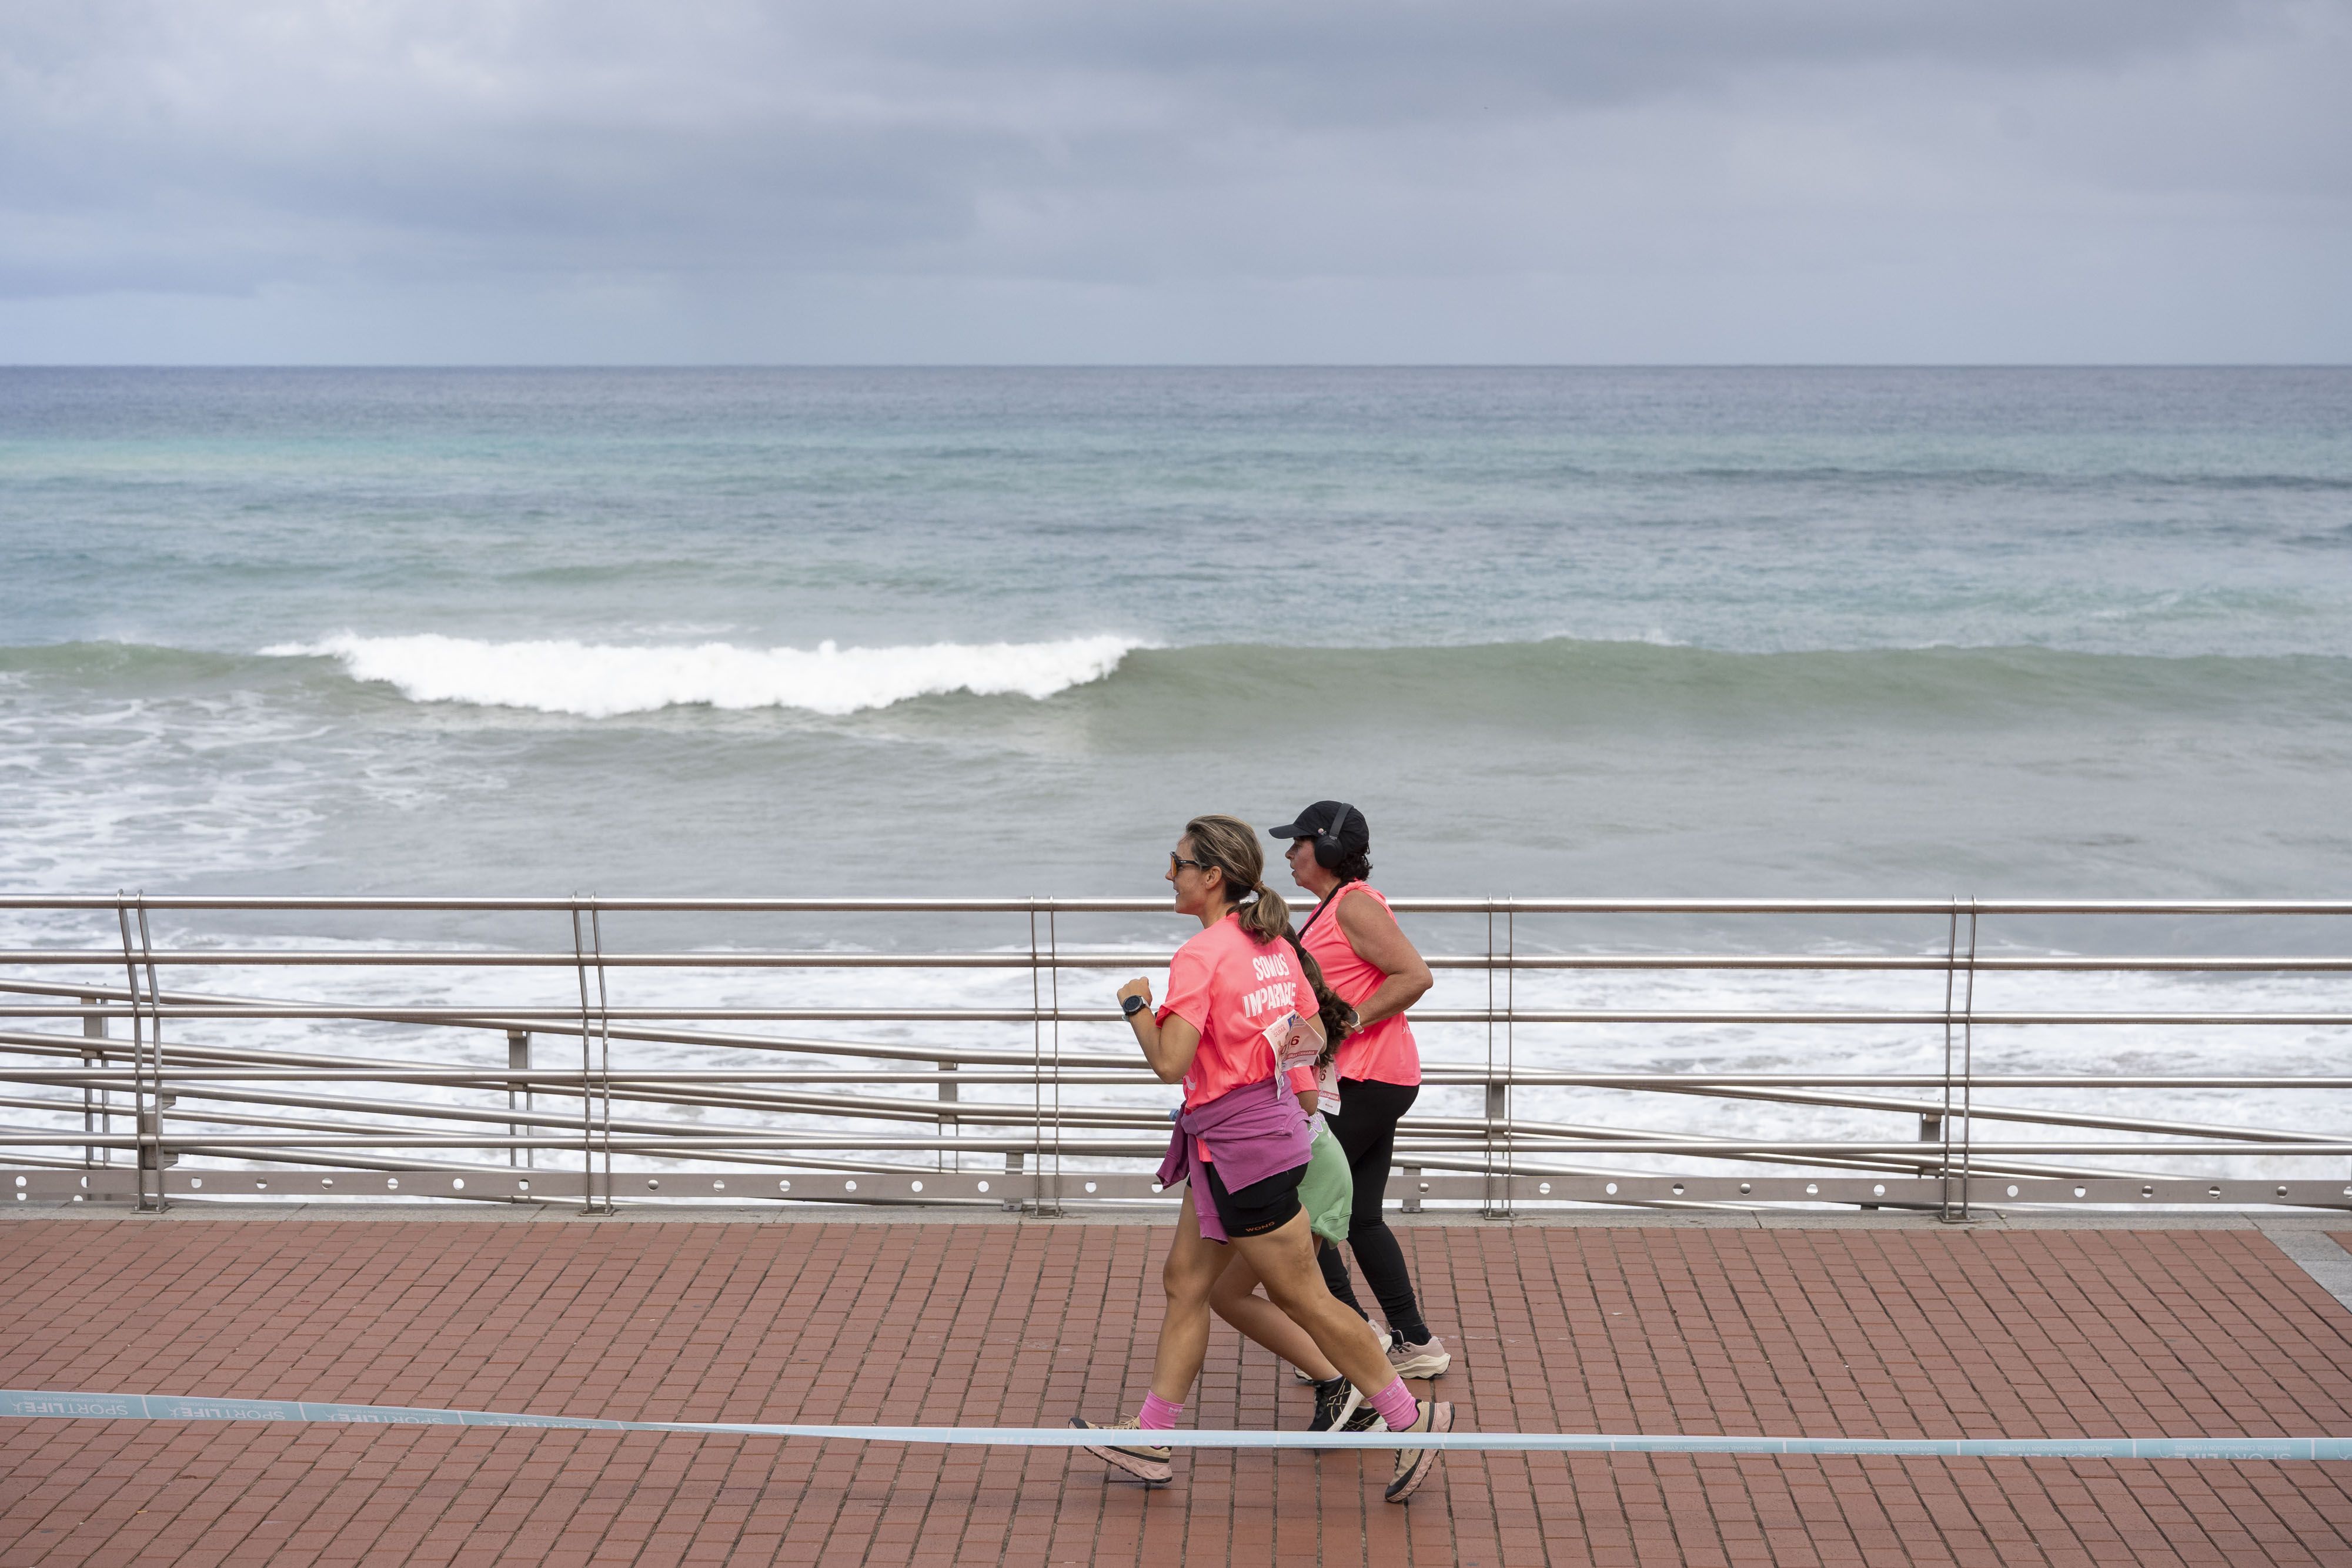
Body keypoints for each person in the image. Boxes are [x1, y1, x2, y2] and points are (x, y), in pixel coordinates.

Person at [1071, 813, 1454, 1502]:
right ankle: (1153, 1438)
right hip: (1250, 1137)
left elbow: (1169, 1063)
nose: (1168, 873)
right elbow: (1306, 1039)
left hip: (1243, 1146)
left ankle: (1409, 1420)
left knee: (1303, 1296)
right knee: (1187, 1283)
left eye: (1177, 862)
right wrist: (1295, 1117)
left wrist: (1135, 1007)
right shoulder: (1273, 941)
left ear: (1210, 876)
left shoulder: (1202, 956)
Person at [1269, 801, 1450, 1379]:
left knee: (1299, 1211)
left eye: (1297, 843)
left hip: (1365, 1082)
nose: (1289, 854)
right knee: (1363, 1216)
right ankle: (1414, 1343)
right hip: (1373, 1079)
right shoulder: (1327, 910)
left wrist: (1349, 1020)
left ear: (1325, 850)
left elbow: (1414, 975)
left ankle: (1351, 1339)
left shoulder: (1352, 905)